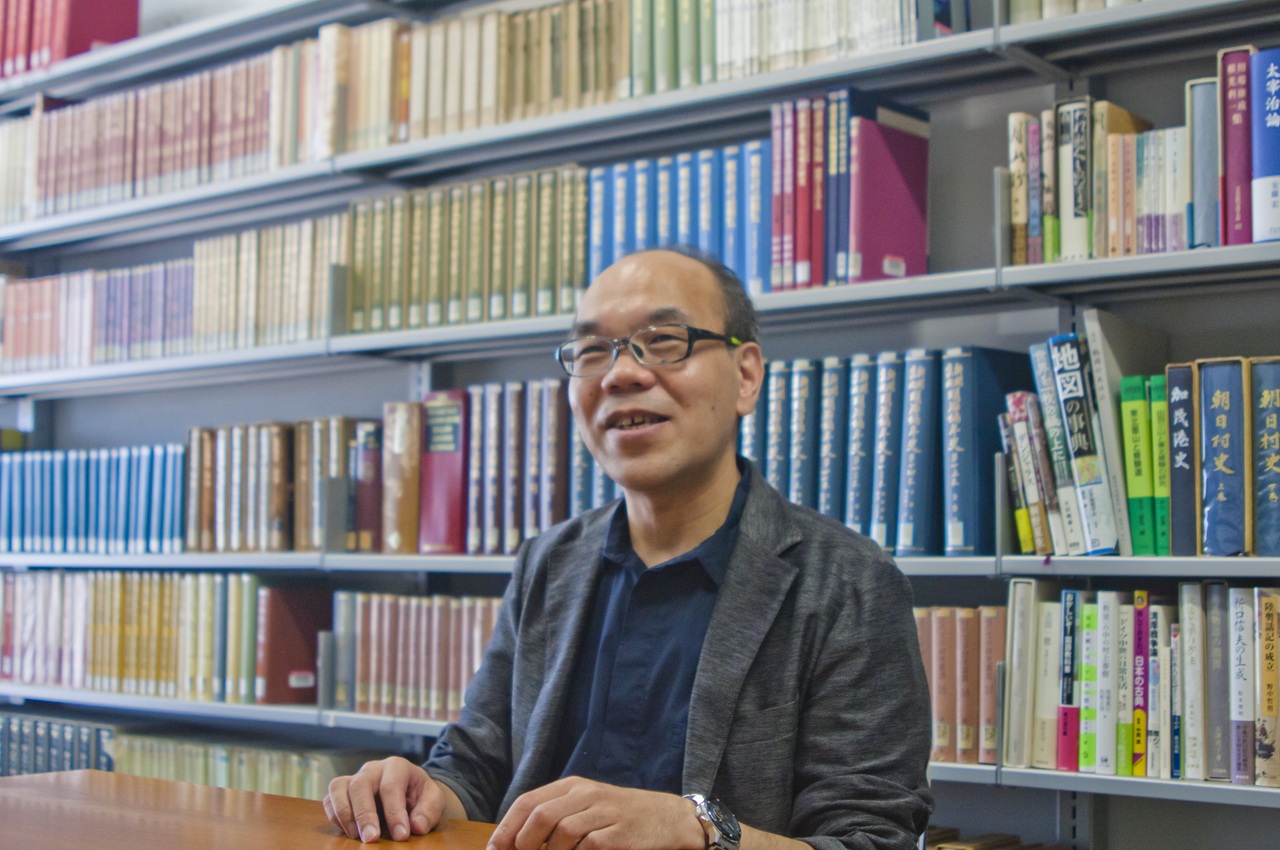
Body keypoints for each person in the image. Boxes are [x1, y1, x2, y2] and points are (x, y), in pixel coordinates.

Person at [324, 247, 933, 850]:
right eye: (593, 352)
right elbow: (477, 767)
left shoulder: (847, 584)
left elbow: (872, 840)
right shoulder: (549, 562)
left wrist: (699, 832)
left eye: (664, 341)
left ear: (746, 376)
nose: (621, 374)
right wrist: (420, 792)